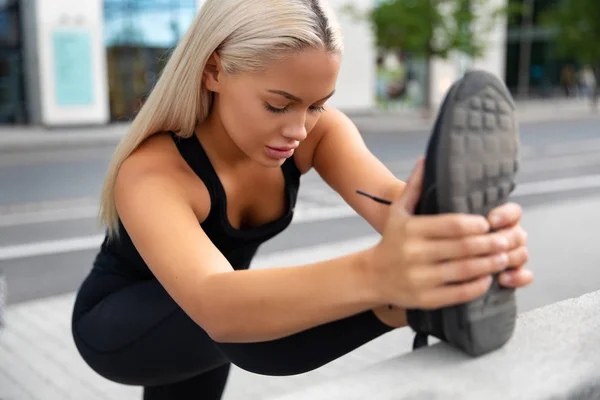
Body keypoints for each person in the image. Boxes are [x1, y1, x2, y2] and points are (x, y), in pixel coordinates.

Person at [71, 1, 533, 399]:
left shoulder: (317, 132)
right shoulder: (153, 170)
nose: (299, 130)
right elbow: (216, 305)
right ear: (213, 71)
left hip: (240, 309)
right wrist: (383, 274)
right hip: (122, 328)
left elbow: (393, 204)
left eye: (317, 104)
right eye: (278, 105)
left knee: (252, 316)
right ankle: (411, 306)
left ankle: (423, 299)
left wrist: (468, 237)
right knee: (245, 321)